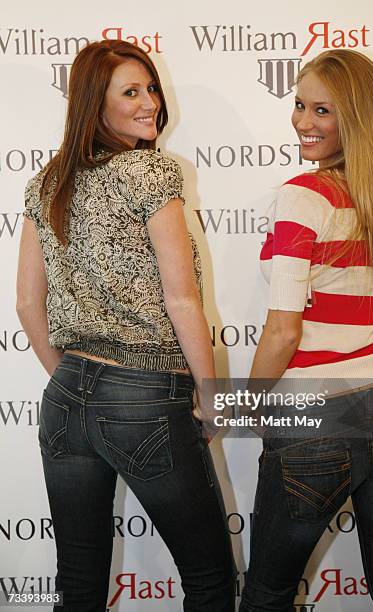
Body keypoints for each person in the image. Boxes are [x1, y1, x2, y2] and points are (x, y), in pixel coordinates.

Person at [16, 39, 236, 612]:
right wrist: (211, 395)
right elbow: (182, 300)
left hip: (65, 400)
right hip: (145, 394)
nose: (150, 104)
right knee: (211, 581)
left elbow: (25, 304)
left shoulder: (45, 184)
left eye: (151, 88)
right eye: (131, 92)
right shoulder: (150, 172)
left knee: (80, 589)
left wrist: (71, 377)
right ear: (96, 104)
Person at [239, 49, 373, 611]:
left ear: (356, 117)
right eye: (299, 105)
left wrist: (248, 408)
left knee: (267, 595)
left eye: (323, 109)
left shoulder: (302, 196)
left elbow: (282, 332)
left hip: (311, 417)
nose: (302, 122)